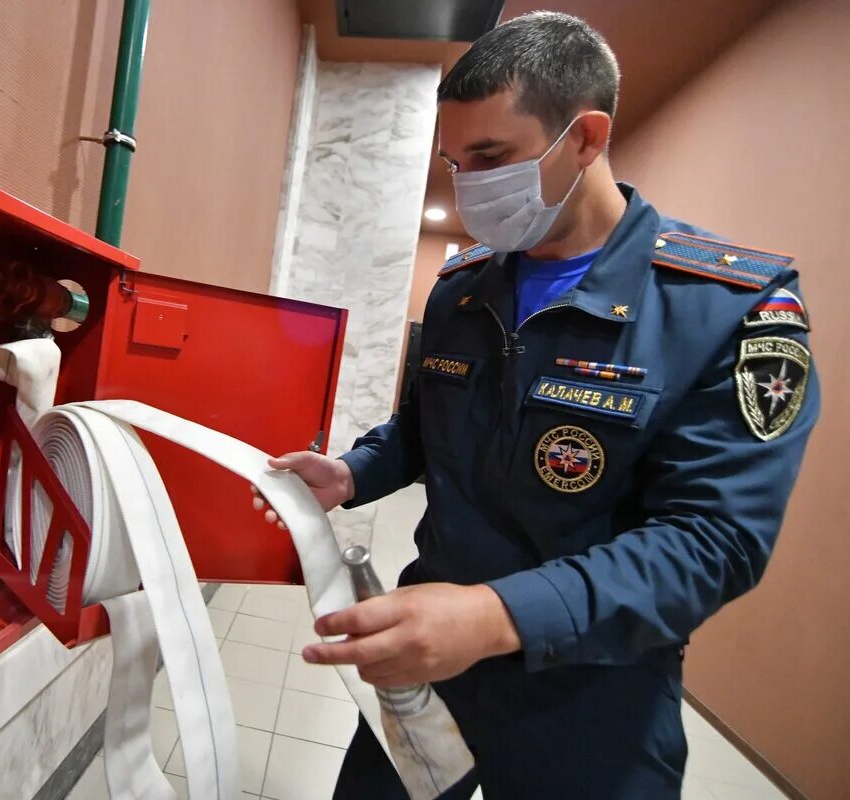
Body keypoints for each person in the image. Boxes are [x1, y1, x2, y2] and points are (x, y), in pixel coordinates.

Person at [261, 11, 819, 799]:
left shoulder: (727, 309)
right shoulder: (463, 290)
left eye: (491, 157)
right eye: (455, 162)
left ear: (586, 137)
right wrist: (351, 474)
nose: (469, 186)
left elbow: (712, 542)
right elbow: (421, 434)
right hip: (430, 667)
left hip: (594, 691)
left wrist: (494, 618)